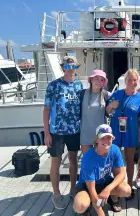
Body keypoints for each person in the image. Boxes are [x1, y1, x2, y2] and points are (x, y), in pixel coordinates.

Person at [43, 56, 83, 209]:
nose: (71, 69)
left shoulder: (79, 85)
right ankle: (57, 193)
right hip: (56, 131)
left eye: (73, 66)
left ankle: (73, 189)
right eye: (67, 66)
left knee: (73, 159)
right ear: (62, 67)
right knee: (56, 161)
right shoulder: (53, 85)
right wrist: (47, 133)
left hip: (74, 130)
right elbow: (46, 110)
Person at [106, 69, 140, 200]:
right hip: (115, 131)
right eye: (129, 80)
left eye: (135, 80)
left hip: (131, 131)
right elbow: (107, 112)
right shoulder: (117, 94)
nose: (132, 82)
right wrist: (110, 106)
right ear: (125, 81)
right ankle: (115, 187)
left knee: (130, 160)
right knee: (115, 161)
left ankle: (129, 187)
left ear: (138, 81)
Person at [73, 124, 131, 216]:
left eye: (109, 137)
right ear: (96, 140)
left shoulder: (115, 150)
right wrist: (101, 213)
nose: (106, 141)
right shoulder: (88, 157)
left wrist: (108, 189)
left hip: (104, 183)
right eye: (102, 138)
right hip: (87, 186)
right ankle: (87, 207)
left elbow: (122, 174)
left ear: (112, 139)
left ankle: (112, 199)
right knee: (80, 206)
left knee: (126, 190)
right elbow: (92, 190)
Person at [79, 70, 110, 154]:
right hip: (85, 135)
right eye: (96, 79)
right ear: (91, 80)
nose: (99, 82)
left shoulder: (107, 95)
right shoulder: (82, 94)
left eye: (101, 80)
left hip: (101, 135)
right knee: (87, 162)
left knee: (100, 162)